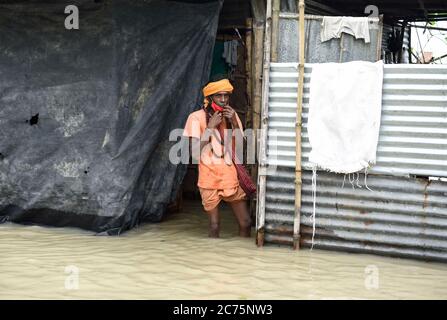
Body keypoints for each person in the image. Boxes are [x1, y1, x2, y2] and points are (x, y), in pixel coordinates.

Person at [182, 79, 251, 238]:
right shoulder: (195, 118)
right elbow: (194, 153)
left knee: (246, 223)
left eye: (226, 95)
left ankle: (243, 259)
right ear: (209, 98)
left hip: (230, 176)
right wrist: (210, 127)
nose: (223, 99)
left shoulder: (232, 116)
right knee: (214, 226)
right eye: (218, 95)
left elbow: (241, 147)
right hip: (208, 178)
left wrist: (234, 122)